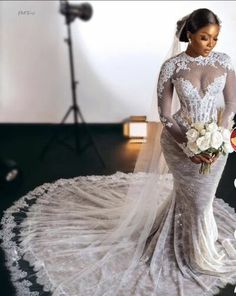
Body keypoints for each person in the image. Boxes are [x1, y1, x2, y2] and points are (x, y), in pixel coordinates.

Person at [1, 7, 236, 296]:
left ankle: (188, 241)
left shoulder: (224, 62)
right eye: (203, 38)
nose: (210, 44)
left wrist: (220, 137)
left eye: (214, 38)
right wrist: (188, 144)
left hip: (216, 144)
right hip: (179, 143)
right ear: (189, 34)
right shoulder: (172, 67)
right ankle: (195, 253)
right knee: (195, 199)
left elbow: (231, 106)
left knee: (200, 199)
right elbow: (165, 115)